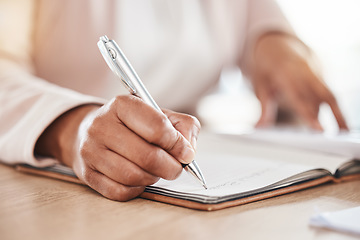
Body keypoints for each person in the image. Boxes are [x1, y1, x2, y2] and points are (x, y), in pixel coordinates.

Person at [0, 0, 348, 201]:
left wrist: (272, 41)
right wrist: (71, 127)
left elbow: (255, 19)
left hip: (203, 151)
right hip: (48, 186)